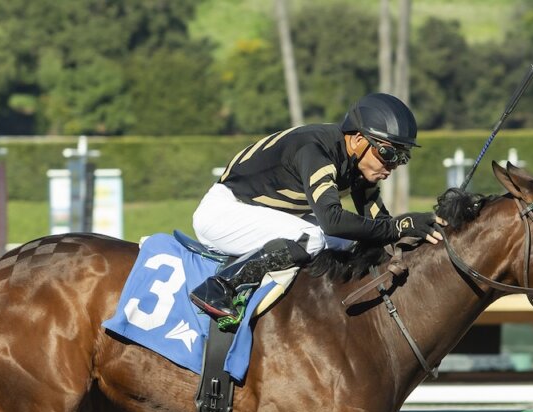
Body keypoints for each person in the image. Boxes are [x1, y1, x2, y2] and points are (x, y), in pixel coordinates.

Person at [189, 92, 446, 320]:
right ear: (357, 140)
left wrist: (421, 230)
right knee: (312, 238)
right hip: (224, 213)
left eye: (402, 157)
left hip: (263, 214)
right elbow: (332, 221)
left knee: (349, 243)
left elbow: (381, 225)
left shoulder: (358, 163)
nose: (392, 165)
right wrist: (399, 226)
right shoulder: (316, 151)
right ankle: (221, 286)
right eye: (388, 154)